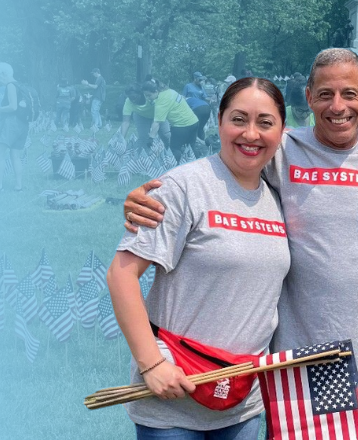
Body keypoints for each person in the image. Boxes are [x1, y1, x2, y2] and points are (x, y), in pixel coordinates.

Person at [123, 48, 358, 440]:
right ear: (308, 98)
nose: (338, 106)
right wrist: (145, 204)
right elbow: (229, 163)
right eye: (325, 94)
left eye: (350, 93)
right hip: (298, 363)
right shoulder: (282, 149)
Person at [107, 77, 290, 440]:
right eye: (238, 119)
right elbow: (121, 275)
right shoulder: (182, 186)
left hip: (241, 404)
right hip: (172, 403)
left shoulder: (281, 196)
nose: (250, 134)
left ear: (282, 131)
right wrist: (152, 363)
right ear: (218, 121)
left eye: (265, 123)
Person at [0, 62, 27, 193]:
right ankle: (19, 187)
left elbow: (13, 106)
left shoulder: (11, 85)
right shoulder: (20, 85)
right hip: (23, 124)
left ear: (3, 74)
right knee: (15, 155)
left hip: (12, 123)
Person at [142, 81, 199, 161]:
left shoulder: (160, 103)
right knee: (191, 146)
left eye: (149, 95)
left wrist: (151, 138)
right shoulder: (170, 91)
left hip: (180, 126)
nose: (147, 98)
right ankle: (198, 164)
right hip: (194, 121)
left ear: (156, 91)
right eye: (146, 95)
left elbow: (157, 122)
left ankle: (175, 168)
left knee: (175, 149)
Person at [120, 84, 171, 151]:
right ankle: (144, 157)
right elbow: (126, 122)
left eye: (134, 97)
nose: (132, 100)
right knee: (143, 138)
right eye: (130, 98)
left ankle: (171, 152)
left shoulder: (149, 97)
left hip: (157, 114)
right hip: (141, 116)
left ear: (140, 94)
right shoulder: (128, 102)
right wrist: (121, 139)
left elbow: (160, 111)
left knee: (166, 135)